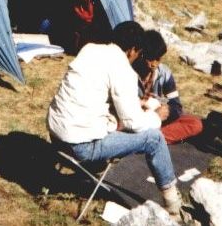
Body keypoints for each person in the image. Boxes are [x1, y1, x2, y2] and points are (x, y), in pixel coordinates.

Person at [47, 21, 182, 214]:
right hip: (79, 146)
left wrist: (136, 104)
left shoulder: (90, 49)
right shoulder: (123, 68)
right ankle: (173, 205)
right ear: (132, 50)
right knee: (155, 138)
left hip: (55, 134)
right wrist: (156, 116)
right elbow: (133, 122)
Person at [133, 30, 203, 144]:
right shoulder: (130, 73)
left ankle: (150, 139)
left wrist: (167, 111)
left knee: (195, 123)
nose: (154, 64)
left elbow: (177, 107)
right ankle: (151, 139)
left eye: (158, 59)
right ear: (142, 55)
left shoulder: (164, 73)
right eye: (151, 59)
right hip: (139, 121)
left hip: (160, 119)